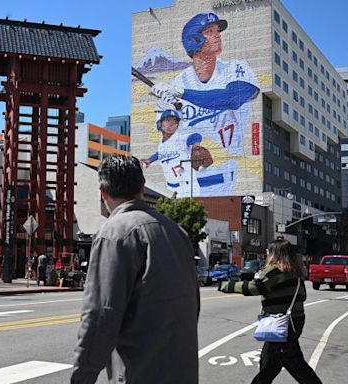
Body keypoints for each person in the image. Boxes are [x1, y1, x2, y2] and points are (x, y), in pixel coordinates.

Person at [71, 154, 200, 383]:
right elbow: (193, 303)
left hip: (139, 372)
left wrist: (82, 377)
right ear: (142, 186)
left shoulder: (114, 232)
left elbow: (101, 315)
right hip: (183, 371)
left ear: (102, 192)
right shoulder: (177, 232)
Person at [151, 12, 259, 196]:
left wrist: (182, 94)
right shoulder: (177, 83)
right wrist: (164, 106)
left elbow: (231, 99)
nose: (218, 35)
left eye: (218, 30)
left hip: (224, 183)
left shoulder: (236, 68)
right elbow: (166, 135)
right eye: (210, 31)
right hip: (184, 183)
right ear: (194, 39)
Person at [219, 239, 322, 384]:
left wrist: (226, 285)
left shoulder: (275, 271)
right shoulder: (295, 273)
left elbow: (256, 287)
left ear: (275, 253)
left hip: (280, 325)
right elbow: (302, 296)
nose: (267, 253)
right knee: (269, 364)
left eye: (268, 251)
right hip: (294, 323)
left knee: (296, 366)